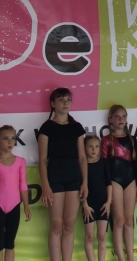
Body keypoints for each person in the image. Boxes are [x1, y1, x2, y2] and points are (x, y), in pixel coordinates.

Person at [38, 88, 88, 261]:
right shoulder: (47, 128)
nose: (65, 103)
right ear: (53, 104)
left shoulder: (76, 127)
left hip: (74, 178)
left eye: (68, 99)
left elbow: (82, 158)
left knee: (68, 225)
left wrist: (85, 182)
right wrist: (46, 186)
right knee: (56, 225)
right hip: (55, 178)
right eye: (61, 99)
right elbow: (42, 160)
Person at [101, 105, 137, 261]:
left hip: (130, 180)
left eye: (124, 116)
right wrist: (107, 187)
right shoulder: (106, 141)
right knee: (118, 220)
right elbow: (104, 166)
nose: (121, 119)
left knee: (129, 219)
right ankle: (121, 258)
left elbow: (135, 164)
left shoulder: (132, 139)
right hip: (114, 181)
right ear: (110, 119)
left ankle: (131, 257)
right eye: (117, 117)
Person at [0, 125, 31, 261]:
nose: (10, 142)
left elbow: (23, 185)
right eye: (5, 138)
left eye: (13, 138)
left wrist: (26, 206)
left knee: (10, 244)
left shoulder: (20, 162)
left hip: (14, 206)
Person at [82, 136, 111, 261]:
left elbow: (109, 183)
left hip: (103, 204)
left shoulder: (103, 162)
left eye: (96, 146)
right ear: (84, 148)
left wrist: (108, 202)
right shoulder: (82, 165)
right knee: (89, 236)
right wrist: (84, 205)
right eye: (90, 146)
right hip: (88, 205)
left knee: (101, 235)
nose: (94, 149)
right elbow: (80, 187)